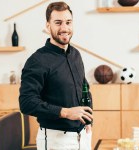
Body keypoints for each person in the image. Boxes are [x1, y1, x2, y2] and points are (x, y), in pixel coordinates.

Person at [19, 1, 93, 150]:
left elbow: (84, 87)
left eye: (68, 22)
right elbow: (26, 102)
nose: (64, 28)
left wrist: (89, 121)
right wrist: (65, 112)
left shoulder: (76, 54)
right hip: (56, 140)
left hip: (83, 137)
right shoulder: (37, 60)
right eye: (58, 23)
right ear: (48, 26)